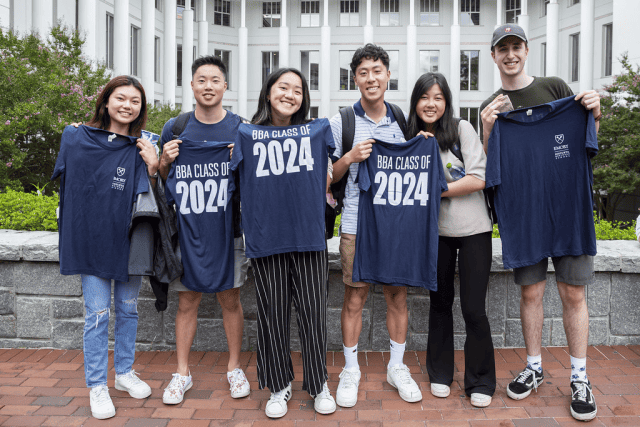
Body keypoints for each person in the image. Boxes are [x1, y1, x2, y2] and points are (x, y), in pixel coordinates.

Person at [480, 24, 601, 422]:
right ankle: (534, 368)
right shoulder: (493, 107)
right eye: (503, 49)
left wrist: (594, 112)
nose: (510, 54)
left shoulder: (555, 88)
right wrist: (487, 130)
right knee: (531, 294)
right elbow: (490, 168)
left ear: (526, 50)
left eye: (516, 46)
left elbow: (587, 144)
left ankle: (579, 377)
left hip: (568, 210)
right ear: (494, 56)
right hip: (524, 213)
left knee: (573, 294)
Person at [231, 68, 336, 419]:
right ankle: (278, 385)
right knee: (272, 314)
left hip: (308, 237)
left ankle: (319, 382)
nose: (290, 94)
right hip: (266, 237)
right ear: (268, 92)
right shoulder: (246, 133)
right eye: (283, 87)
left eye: (298, 89)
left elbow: (331, 169)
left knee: (313, 313)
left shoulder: (318, 130)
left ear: (304, 98)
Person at [53, 76, 158, 419]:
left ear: (141, 109)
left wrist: (155, 163)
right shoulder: (75, 136)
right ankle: (97, 385)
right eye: (121, 98)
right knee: (97, 316)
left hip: (131, 236)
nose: (128, 105)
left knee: (128, 309)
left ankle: (124, 373)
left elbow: (163, 188)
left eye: (135, 101)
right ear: (106, 101)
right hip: (92, 240)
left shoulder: (146, 143)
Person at [330, 44, 422, 407]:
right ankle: (350, 369)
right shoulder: (342, 121)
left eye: (377, 70)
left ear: (388, 75)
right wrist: (350, 157)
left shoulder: (401, 119)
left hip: (396, 228)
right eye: (363, 72)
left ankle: (397, 366)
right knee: (354, 296)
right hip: (355, 224)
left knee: (397, 296)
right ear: (355, 79)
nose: (371, 77)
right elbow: (324, 177)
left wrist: (423, 144)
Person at [158, 56, 250, 404]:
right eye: (201, 80)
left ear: (225, 86)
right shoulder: (176, 128)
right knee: (188, 300)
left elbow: (254, 183)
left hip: (230, 231)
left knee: (230, 298)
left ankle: (233, 367)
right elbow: (166, 183)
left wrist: (240, 160)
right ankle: (181, 372)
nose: (208, 86)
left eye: (215, 80)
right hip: (188, 230)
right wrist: (165, 162)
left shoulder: (242, 128)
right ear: (192, 86)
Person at [407, 72, 495, 407]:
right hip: (436, 234)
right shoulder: (411, 138)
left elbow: (479, 177)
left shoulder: (461, 129)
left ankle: (481, 381)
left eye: (438, 97)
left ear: (447, 102)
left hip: (474, 230)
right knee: (439, 305)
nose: (431, 104)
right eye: (425, 97)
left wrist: (437, 191)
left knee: (474, 308)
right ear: (416, 102)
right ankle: (440, 373)